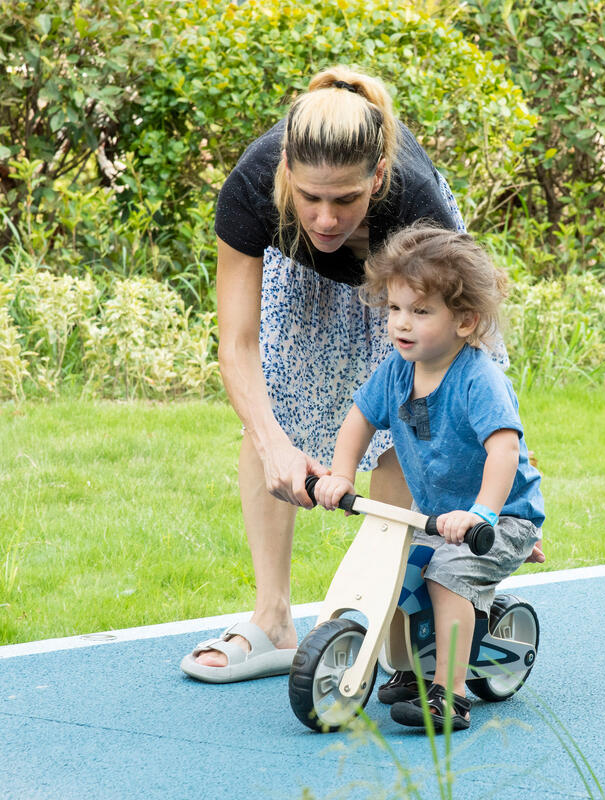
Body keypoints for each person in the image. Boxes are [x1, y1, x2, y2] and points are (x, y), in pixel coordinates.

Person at [180, 65, 518, 683]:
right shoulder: (253, 188)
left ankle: (384, 609)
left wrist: (494, 501)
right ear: (285, 169)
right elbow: (237, 344)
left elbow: (452, 379)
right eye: (310, 197)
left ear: (379, 178)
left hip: (414, 285)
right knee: (270, 415)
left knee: (415, 422)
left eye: (345, 199)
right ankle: (274, 621)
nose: (327, 218)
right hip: (303, 275)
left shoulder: (416, 202)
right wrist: (275, 443)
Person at [313, 224, 545, 731]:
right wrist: (341, 474)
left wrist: (483, 512)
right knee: (396, 570)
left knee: (447, 575)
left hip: (500, 515)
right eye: (395, 308)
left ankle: (451, 692)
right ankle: (414, 664)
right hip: (441, 517)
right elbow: (358, 419)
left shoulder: (479, 379)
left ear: (465, 321)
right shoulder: (396, 371)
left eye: (421, 311)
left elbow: (504, 450)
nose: (403, 323)